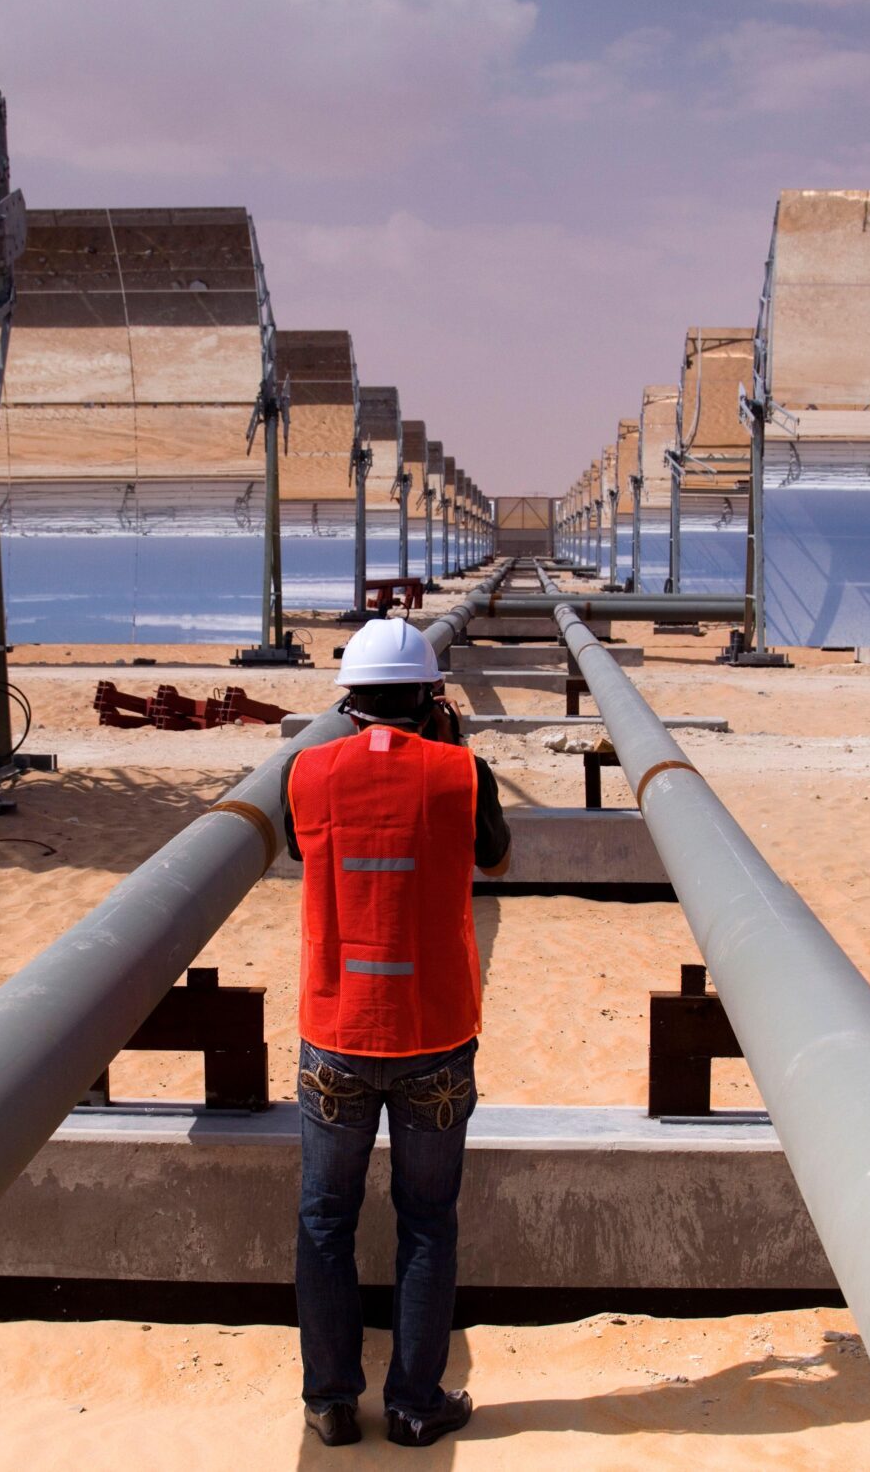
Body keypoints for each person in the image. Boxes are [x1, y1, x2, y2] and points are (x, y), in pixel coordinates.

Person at [282, 616, 510, 1449]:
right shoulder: (461, 772)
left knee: (324, 1220)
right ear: (431, 698)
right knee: (427, 1221)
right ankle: (415, 1404)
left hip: (336, 1033)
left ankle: (331, 1401)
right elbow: (497, 857)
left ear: (349, 702)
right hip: (436, 1038)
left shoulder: (307, 774)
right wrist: (454, 750)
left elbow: (309, 853)